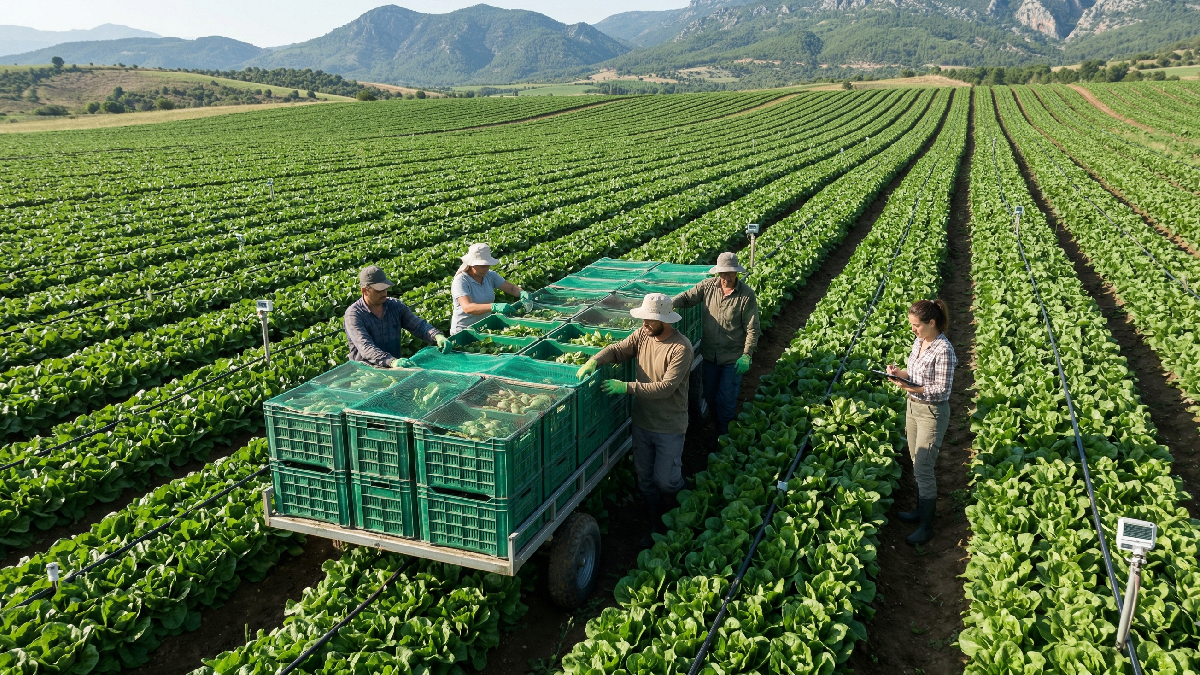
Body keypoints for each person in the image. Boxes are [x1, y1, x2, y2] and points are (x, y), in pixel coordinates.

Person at [576, 293, 694, 547]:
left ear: (665, 320)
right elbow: (619, 349)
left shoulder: (681, 348)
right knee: (645, 478)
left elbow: (665, 388)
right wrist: (594, 360)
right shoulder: (643, 335)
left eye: (650, 320)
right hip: (642, 422)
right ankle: (654, 524)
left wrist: (626, 387)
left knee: (667, 480)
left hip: (669, 425)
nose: (644, 324)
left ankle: (684, 505)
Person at [886, 299, 957, 545]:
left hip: (932, 413)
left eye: (916, 325)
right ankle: (918, 511)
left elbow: (942, 391)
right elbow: (914, 373)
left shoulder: (944, 350)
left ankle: (926, 526)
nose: (913, 330)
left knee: (924, 468)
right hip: (913, 408)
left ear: (932, 323)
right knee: (917, 461)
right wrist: (898, 375)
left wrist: (911, 388)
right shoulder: (919, 342)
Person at [672, 252, 760, 437]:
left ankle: (723, 436)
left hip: (733, 357)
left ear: (736, 273)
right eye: (722, 274)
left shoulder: (746, 295)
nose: (726, 278)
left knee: (726, 399)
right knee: (710, 396)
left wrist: (747, 355)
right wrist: (668, 304)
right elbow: (687, 298)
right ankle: (716, 427)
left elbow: (752, 328)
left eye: (730, 274)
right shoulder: (707, 287)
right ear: (717, 273)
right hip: (710, 355)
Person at [344, 265, 451, 368]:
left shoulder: (395, 306)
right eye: (378, 290)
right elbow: (365, 347)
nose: (384, 293)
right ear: (364, 291)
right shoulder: (353, 315)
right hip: (366, 373)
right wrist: (391, 361)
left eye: (385, 288)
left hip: (395, 369)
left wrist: (436, 335)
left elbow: (417, 325)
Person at [451, 243, 531, 335]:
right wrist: (494, 306)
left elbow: (512, 288)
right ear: (472, 265)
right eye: (482, 266)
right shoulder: (461, 280)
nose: (486, 268)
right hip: (464, 331)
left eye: (488, 265)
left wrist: (521, 293)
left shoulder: (489, 275)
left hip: (484, 327)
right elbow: (468, 307)